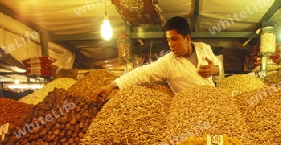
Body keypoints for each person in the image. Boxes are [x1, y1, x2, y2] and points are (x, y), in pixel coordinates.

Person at [93, 16, 222, 99]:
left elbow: (218, 66)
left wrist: (214, 69)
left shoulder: (203, 47)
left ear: (187, 38)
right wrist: (112, 85)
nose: (171, 45)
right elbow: (142, 73)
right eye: (168, 40)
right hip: (188, 111)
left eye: (175, 39)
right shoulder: (168, 62)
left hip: (213, 102)